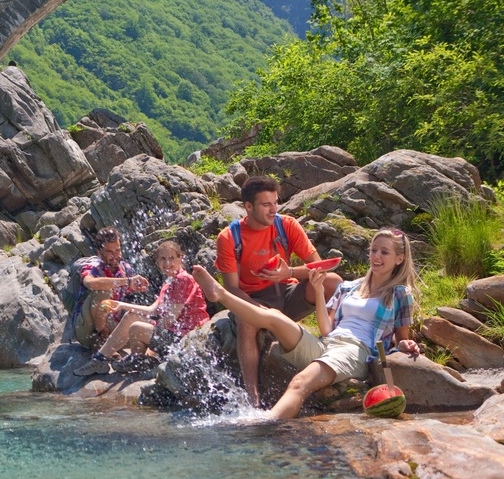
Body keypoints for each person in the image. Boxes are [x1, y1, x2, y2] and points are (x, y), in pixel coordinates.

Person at [192, 228, 420, 420]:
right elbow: (326, 330)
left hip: (355, 351)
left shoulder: (399, 294)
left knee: (300, 382)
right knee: (273, 316)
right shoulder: (349, 287)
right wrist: (319, 292)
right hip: (327, 344)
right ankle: (220, 294)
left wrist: (406, 345)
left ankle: (263, 423)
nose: (376, 256)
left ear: (399, 259)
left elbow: (401, 339)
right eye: (373, 250)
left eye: (384, 252)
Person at [214, 175, 342, 407]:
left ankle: (335, 340)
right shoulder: (229, 237)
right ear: (248, 207)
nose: (273, 210)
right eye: (266, 205)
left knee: (333, 282)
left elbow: (320, 268)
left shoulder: (287, 225)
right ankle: (252, 396)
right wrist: (257, 310)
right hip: (253, 298)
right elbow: (231, 288)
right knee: (246, 321)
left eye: (275, 203)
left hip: (288, 291)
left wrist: (289, 272)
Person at [75, 240, 209, 376]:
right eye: (162, 259)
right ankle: (123, 360)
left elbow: (168, 320)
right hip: (175, 335)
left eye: (171, 258)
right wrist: (122, 306)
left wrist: (147, 325)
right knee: (130, 316)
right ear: (157, 262)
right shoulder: (170, 282)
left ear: (180, 258)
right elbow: (152, 310)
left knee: (136, 327)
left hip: (185, 339)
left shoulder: (183, 279)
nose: (167, 263)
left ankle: (136, 360)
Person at [70, 227, 151, 353]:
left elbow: (131, 295)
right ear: (99, 252)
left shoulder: (125, 269)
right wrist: (126, 281)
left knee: (142, 334)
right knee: (104, 290)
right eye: (110, 252)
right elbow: (90, 283)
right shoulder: (91, 267)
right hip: (87, 329)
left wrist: (139, 287)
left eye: (118, 250)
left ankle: (109, 345)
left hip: (110, 323)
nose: (115, 256)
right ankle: (100, 339)